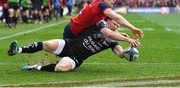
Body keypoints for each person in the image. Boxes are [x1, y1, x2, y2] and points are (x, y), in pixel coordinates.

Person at [8, 18, 140, 72]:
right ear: (108, 21)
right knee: (47, 44)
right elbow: (107, 33)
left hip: (76, 57)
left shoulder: (115, 41)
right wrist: (126, 38)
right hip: (68, 45)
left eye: (118, 25)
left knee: (61, 68)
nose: (116, 26)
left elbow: (120, 54)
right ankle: (17, 50)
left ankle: (37, 67)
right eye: (115, 23)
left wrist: (130, 51)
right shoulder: (101, 24)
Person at [63, 0, 144, 39]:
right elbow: (116, 17)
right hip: (71, 31)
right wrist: (133, 28)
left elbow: (110, 27)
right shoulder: (100, 4)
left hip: (79, 33)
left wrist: (120, 35)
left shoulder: (102, 8)